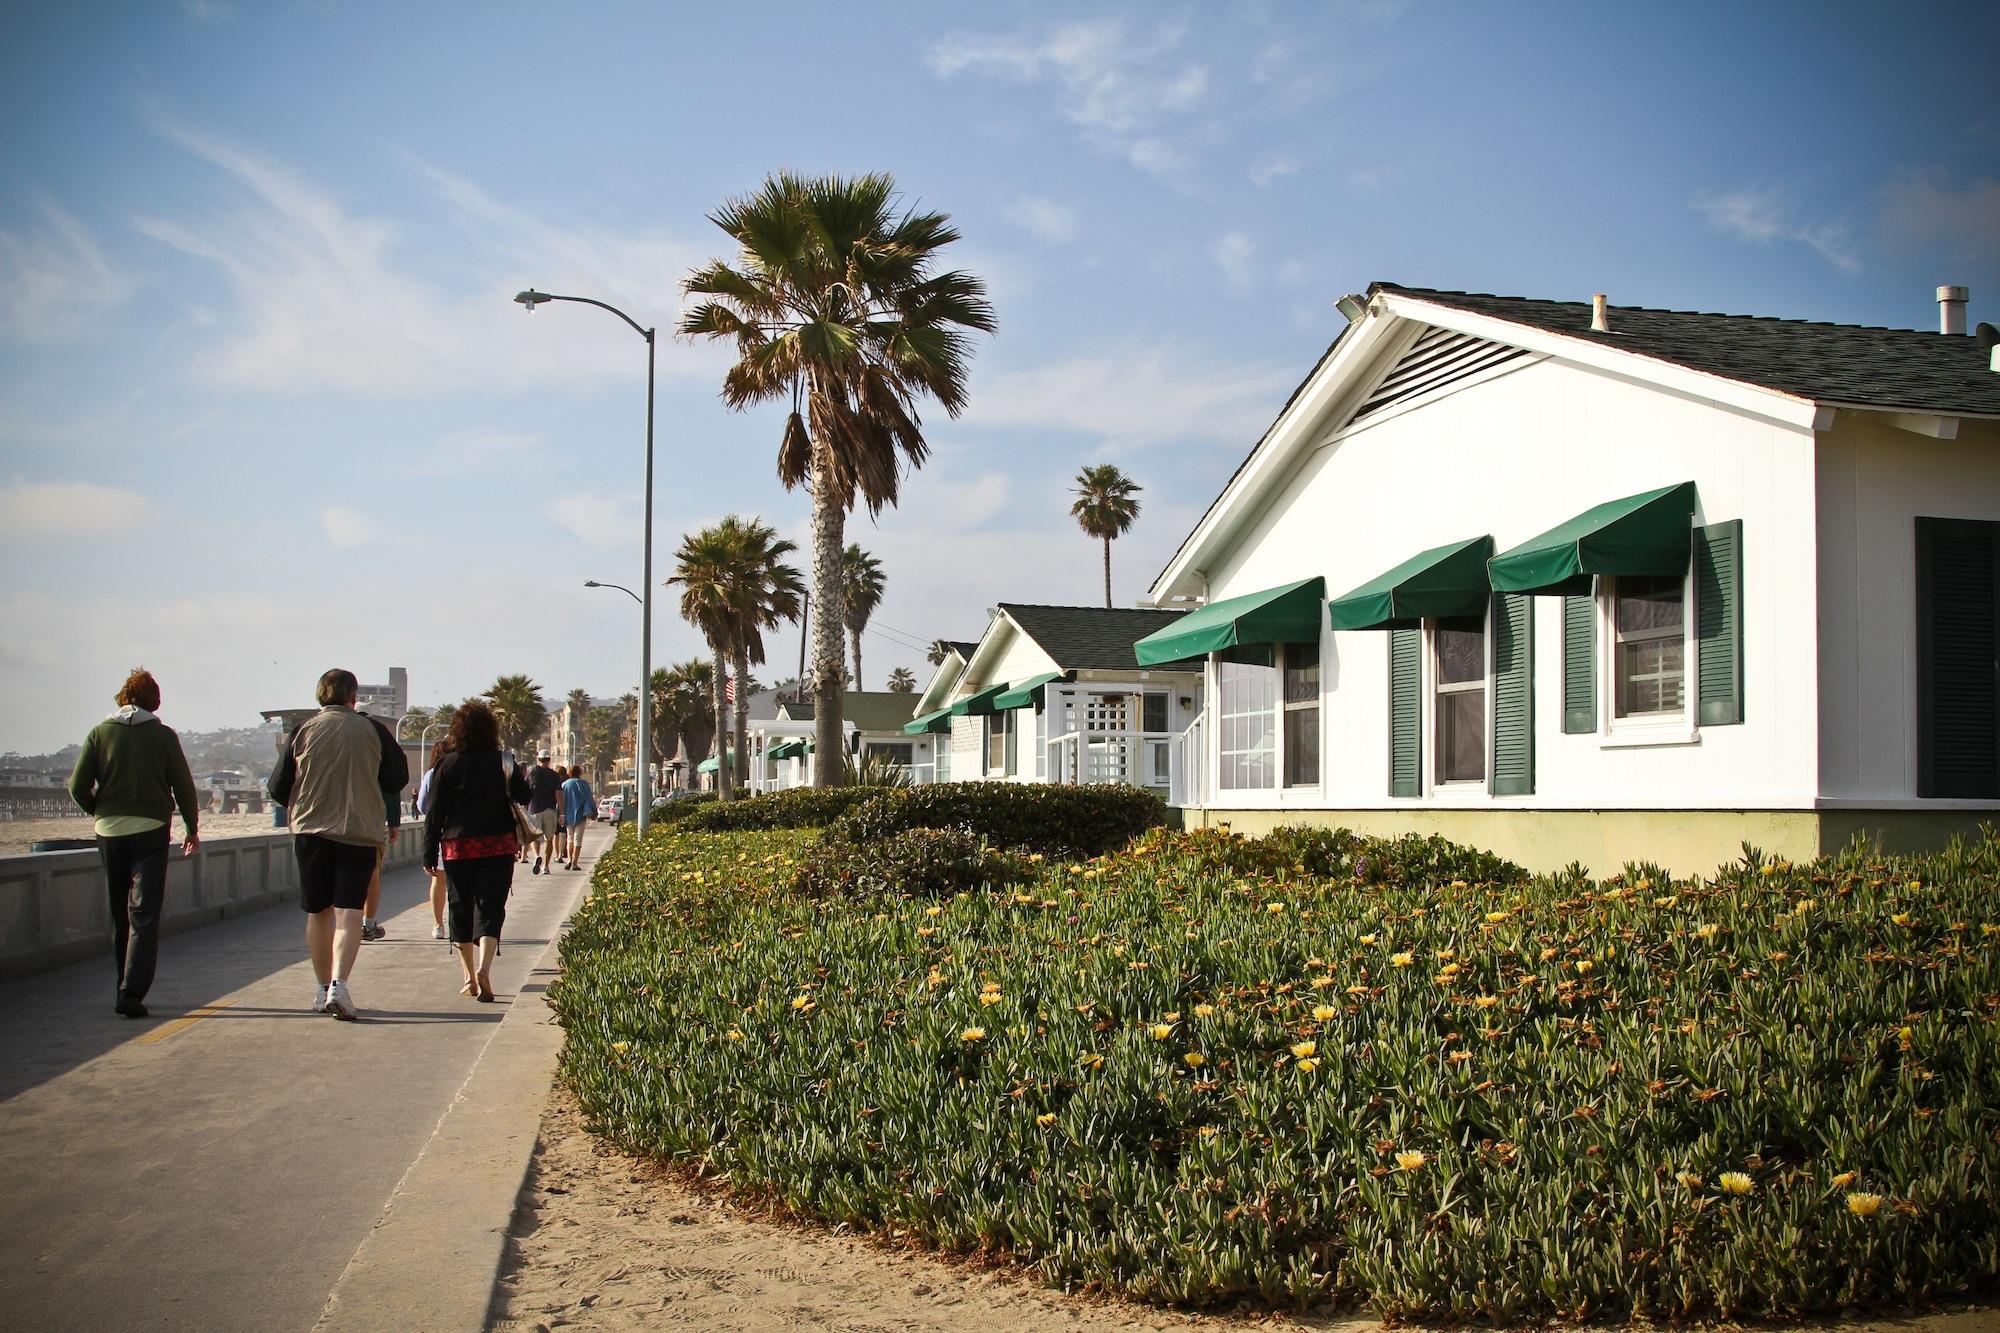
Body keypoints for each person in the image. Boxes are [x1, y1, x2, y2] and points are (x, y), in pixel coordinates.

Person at [267, 668, 408, 1020]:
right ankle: (339, 986)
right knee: (349, 912)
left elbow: (278, 787)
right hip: (358, 832)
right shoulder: (373, 728)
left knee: (318, 913)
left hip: (312, 831)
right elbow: (397, 778)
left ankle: (320, 988)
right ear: (353, 696)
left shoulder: (303, 730)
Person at [67, 668, 202, 1018]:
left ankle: (120, 985)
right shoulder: (163, 736)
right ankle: (131, 991)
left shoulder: (99, 733)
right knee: (143, 913)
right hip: (151, 831)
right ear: (154, 702)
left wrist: (98, 810)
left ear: (123, 698)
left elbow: (76, 787)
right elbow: (183, 786)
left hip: (109, 832)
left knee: (117, 913)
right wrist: (191, 827)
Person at [422, 700, 530, 1002]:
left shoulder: (448, 763)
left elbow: (435, 813)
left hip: (458, 846)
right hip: (498, 843)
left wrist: (429, 853)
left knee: (460, 908)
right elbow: (525, 795)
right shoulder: (504, 761)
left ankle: (468, 976)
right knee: (491, 908)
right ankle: (485, 969)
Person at [358, 711, 405, 942]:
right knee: (372, 872)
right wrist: (394, 821)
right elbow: (392, 783)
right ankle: (367, 924)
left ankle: (333, 924)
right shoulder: (376, 739)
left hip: (327, 823)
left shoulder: (325, 734)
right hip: (370, 821)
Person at [415, 737, 456, 940]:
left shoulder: (431, 774)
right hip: (459, 832)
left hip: (438, 831)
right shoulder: (460, 770)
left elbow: (422, 805)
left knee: (438, 881)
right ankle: (462, 924)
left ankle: (438, 925)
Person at [523, 749, 565, 874]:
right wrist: (562, 813)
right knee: (549, 839)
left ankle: (536, 856)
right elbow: (558, 794)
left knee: (534, 838)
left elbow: (525, 791)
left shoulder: (531, 773)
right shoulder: (554, 775)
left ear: (539, 759)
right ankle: (545, 867)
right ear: (549, 760)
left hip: (534, 809)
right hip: (550, 810)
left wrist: (525, 808)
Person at [558, 764, 596, 869]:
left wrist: (560, 814)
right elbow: (589, 798)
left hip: (568, 815)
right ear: (579, 773)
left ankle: (569, 860)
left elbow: (560, 800)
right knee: (578, 839)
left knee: (570, 838)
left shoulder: (565, 784)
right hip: (581, 815)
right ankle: (574, 862)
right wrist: (594, 811)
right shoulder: (583, 784)